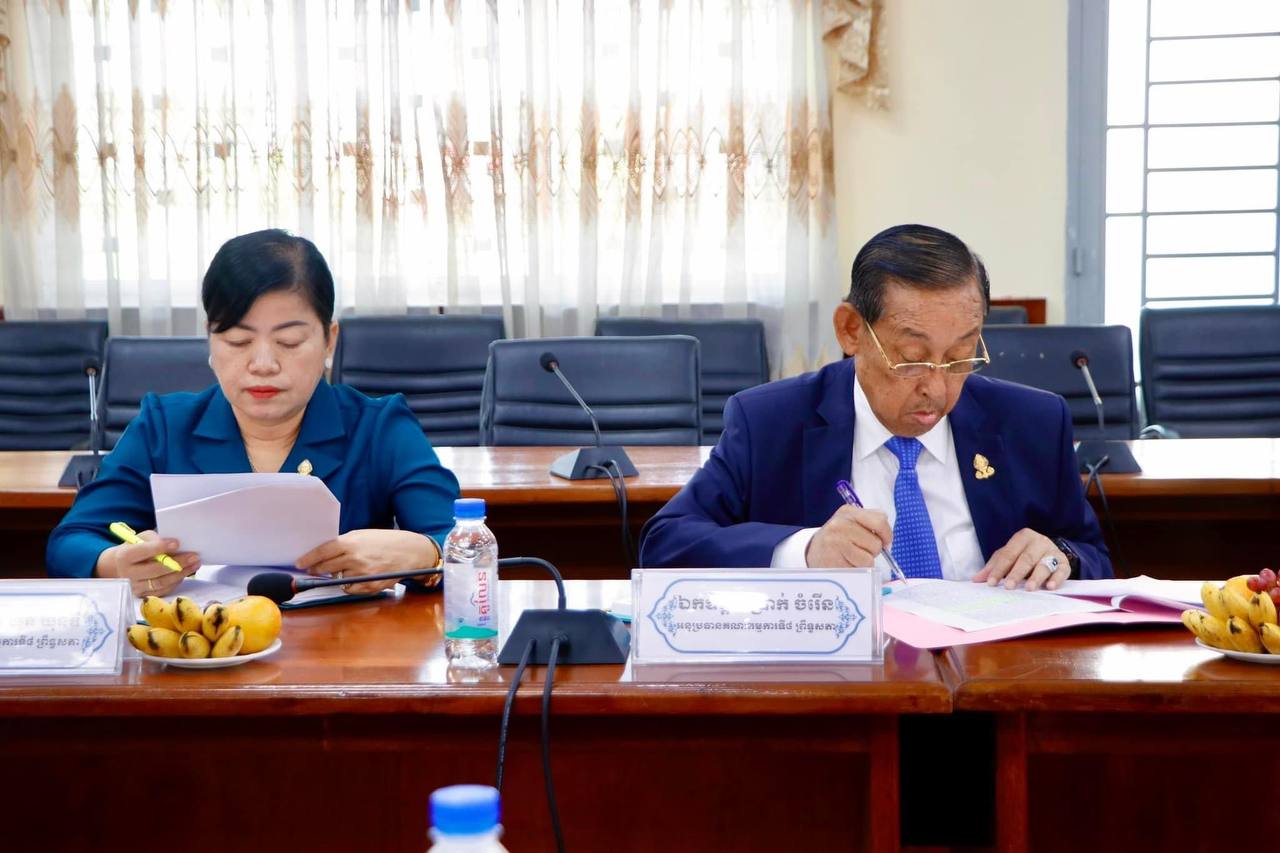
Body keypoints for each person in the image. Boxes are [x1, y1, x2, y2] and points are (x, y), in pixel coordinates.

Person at [640, 223, 1111, 587]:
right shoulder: (770, 421)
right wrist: (805, 551)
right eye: (912, 358)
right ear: (851, 331)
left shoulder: (1032, 422)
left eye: (960, 357)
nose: (937, 388)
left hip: (991, 670)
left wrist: (1060, 558)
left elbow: (1092, 555)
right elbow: (665, 545)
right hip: (840, 675)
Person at [47, 229, 460, 597]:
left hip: (345, 647)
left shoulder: (379, 427)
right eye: (238, 341)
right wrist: (113, 564)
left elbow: (464, 542)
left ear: (329, 340)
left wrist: (427, 553)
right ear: (210, 339)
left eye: (290, 342)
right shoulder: (164, 426)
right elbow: (72, 541)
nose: (263, 364)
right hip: (201, 647)